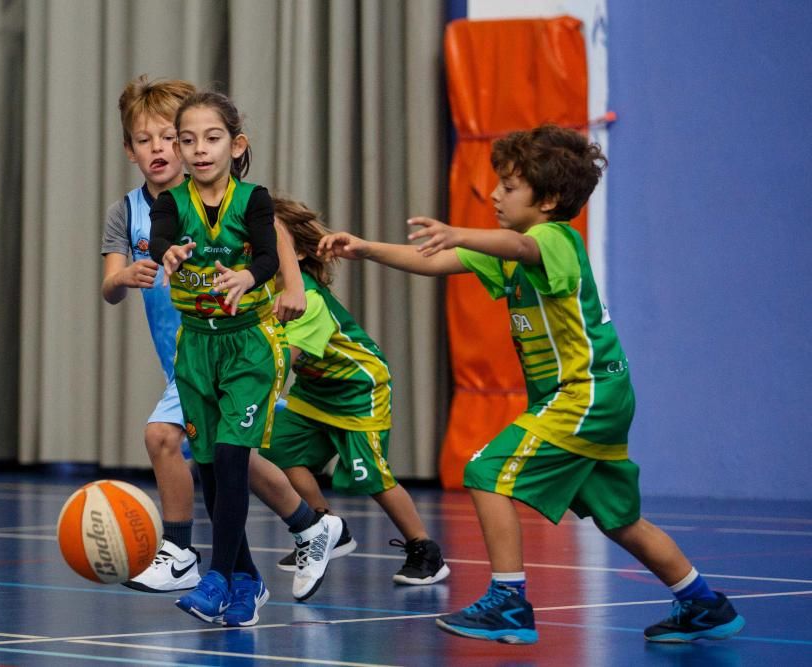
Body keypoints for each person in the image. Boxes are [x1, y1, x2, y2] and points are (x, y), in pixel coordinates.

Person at [318, 124, 745, 644]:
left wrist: (461, 231)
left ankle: (509, 602)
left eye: (509, 186)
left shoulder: (555, 239)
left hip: (585, 392)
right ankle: (704, 605)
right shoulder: (511, 249)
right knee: (620, 519)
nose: (495, 194)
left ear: (549, 199)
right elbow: (435, 261)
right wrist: (365, 248)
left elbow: (520, 244)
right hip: (589, 398)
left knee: (485, 471)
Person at [100, 78, 341, 623]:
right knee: (228, 464)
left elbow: (274, 232)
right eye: (149, 140)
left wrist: (294, 286)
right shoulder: (138, 211)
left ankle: (186, 553)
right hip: (190, 353)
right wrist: (138, 270)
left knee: (174, 441)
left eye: (171, 137)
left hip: (243, 346)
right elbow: (114, 282)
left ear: (228, 145)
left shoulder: (229, 196)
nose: (162, 149)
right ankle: (299, 534)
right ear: (130, 150)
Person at [265, 196, 451, 586]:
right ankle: (324, 528)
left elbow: (277, 367)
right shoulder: (260, 290)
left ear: (297, 253)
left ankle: (425, 549)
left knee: (371, 475)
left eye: (269, 238)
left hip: (357, 388)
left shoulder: (308, 303)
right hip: (316, 389)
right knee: (278, 451)